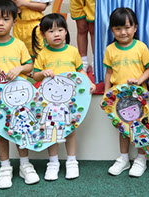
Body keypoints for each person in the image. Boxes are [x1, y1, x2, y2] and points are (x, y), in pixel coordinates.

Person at [0, 0, 40, 189]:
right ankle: (5, 167)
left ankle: (25, 164)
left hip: (19, 99)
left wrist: (19, 68)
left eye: (5, 19)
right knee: (1, 132)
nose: (0, 23)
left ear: (14, 22)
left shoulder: (18, 45)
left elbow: (29, 66)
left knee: (21, 129)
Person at [31, 13, 95, 181]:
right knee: (51, 130)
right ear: (43, 35)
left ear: (66, 31)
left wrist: (89, 82)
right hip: (49, 101)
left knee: (69, 130)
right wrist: (43, 73)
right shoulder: (43, 54)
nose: (56, 34)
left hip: (70, 100)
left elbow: (80, 71)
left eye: (60, 30)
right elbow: (35, 75)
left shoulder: (73, 51)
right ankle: (53, 163)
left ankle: (72, 161)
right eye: (51, 31)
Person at [104, 7, 149, 178]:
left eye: (127, 27)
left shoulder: (141, 47)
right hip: (119, 99)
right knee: (123, 128)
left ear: (135, 27)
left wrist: (139, 81)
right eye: (118, 28)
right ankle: (124, 158)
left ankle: (141, 159)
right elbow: (109, 73)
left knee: (141, 127)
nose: (123, 32)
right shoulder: (110, 49)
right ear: (112, 30)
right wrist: (106, 93)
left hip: (139, 98)